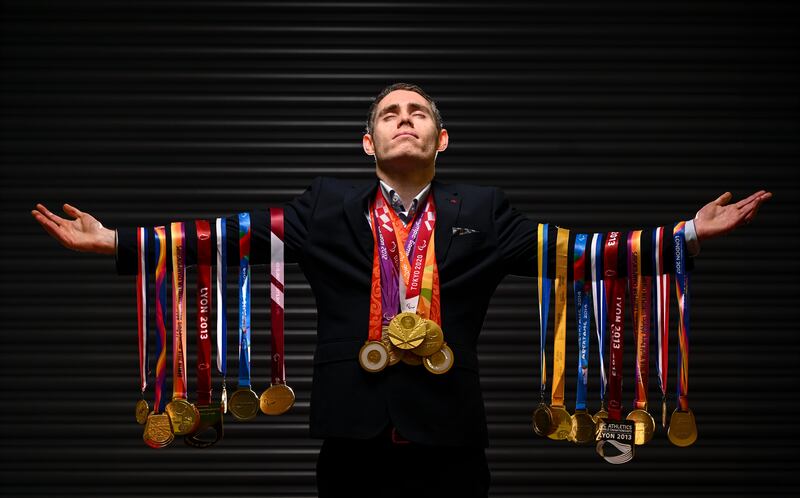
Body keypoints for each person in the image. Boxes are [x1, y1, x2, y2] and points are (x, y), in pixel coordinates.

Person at [31, 82, 771, 498]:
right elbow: (225, 237)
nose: (404, 121)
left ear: (441, 140)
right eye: (390, 114)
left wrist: (687, 234)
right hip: (351, 440)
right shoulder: (323, 206)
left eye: (418, 113)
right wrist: (115, 241)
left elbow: (577, 256)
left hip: (451, 440)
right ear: (368, 144)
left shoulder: (483, 212)